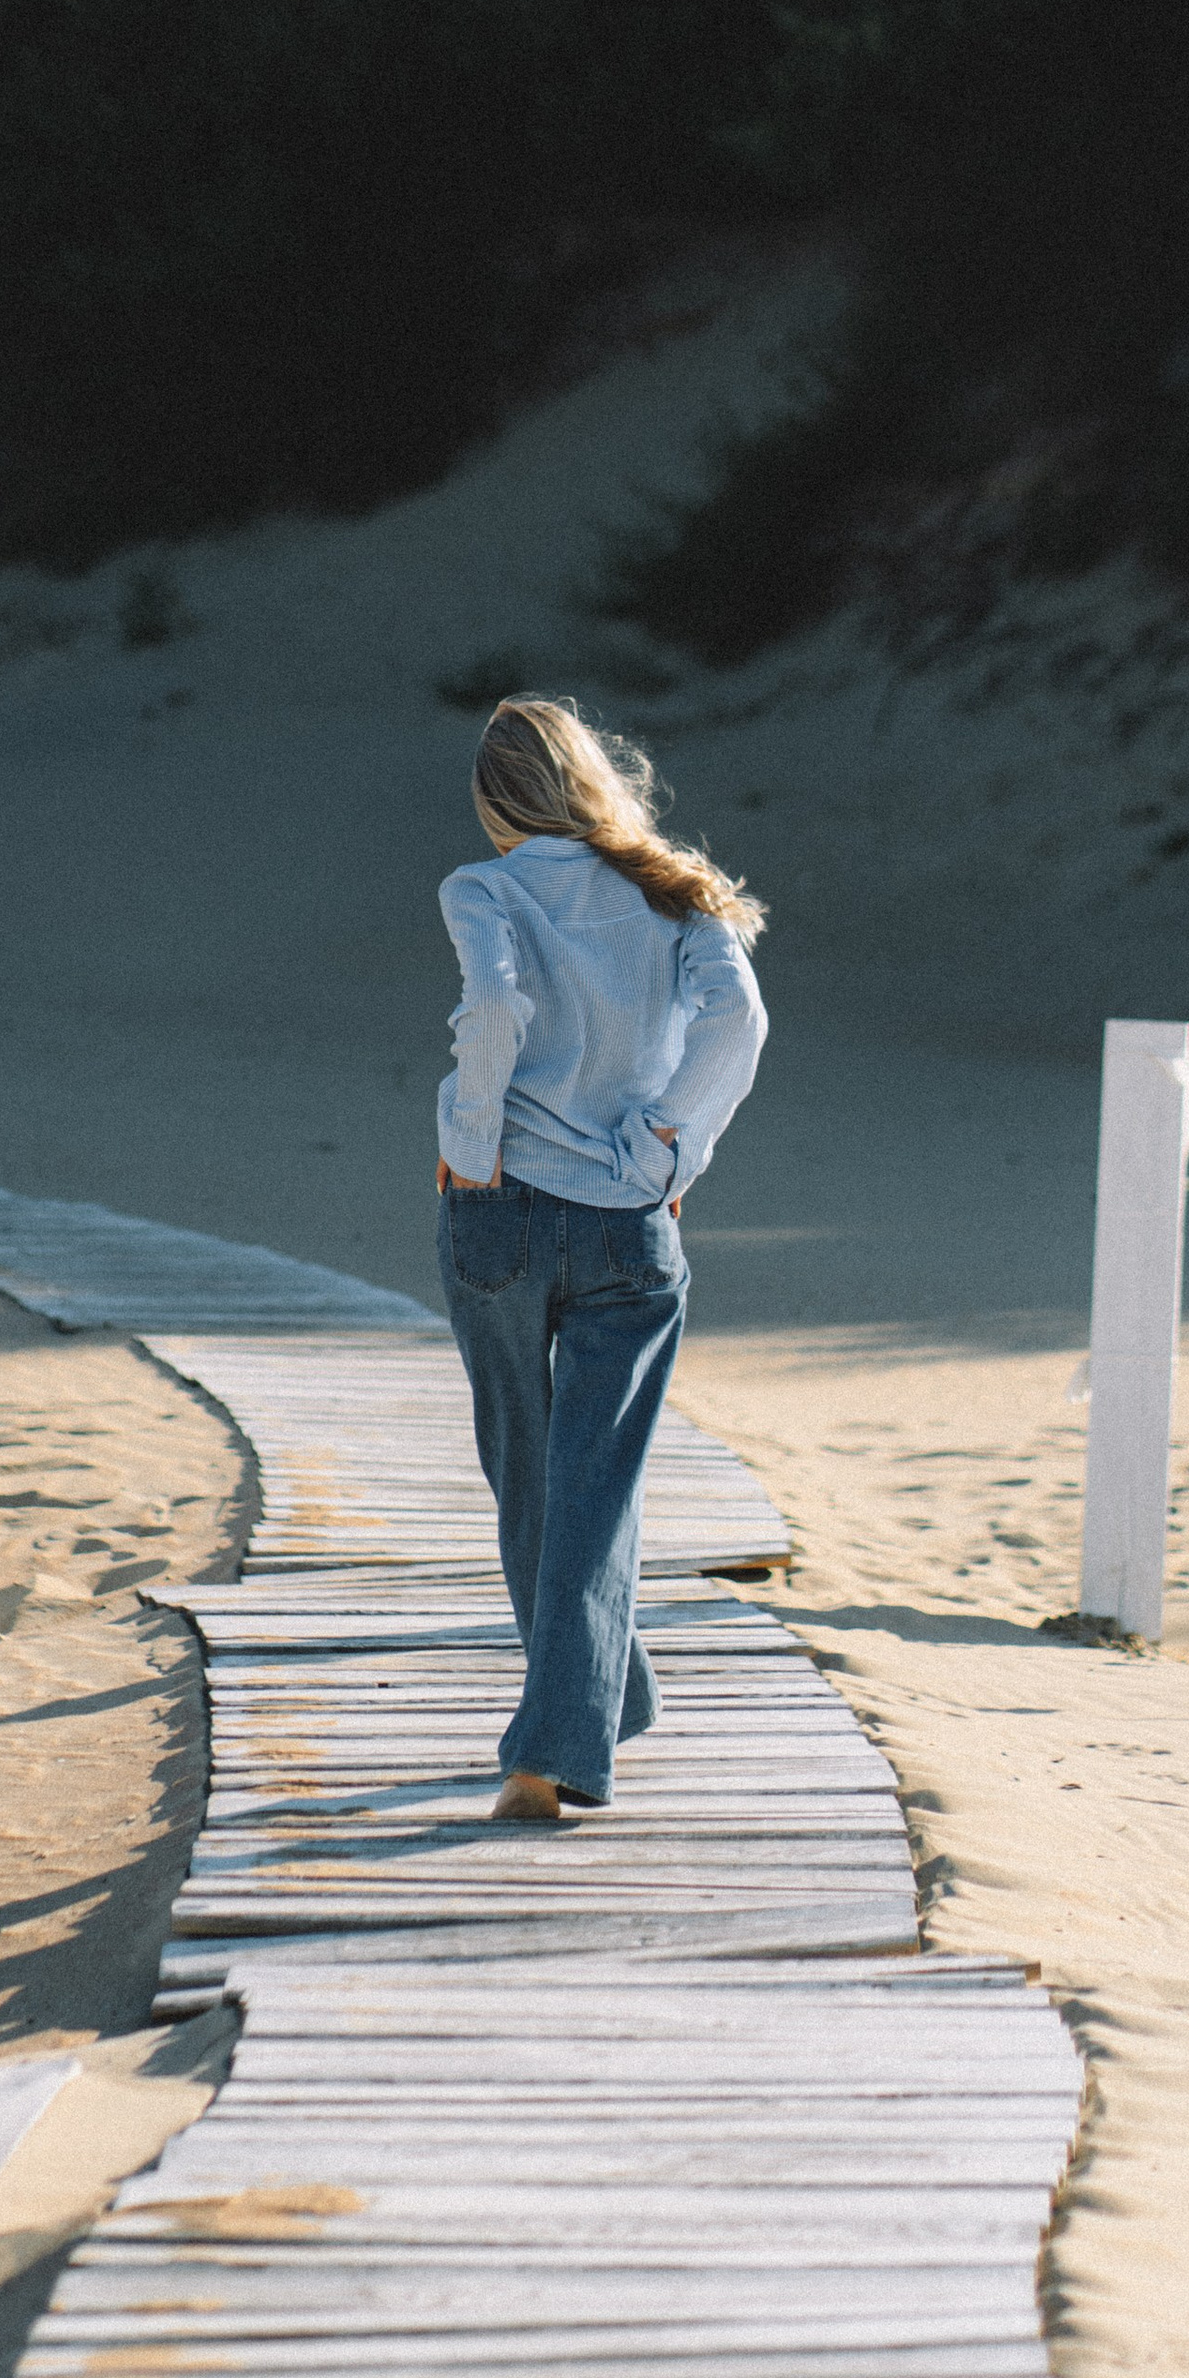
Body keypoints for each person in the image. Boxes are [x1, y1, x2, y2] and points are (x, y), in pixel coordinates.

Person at [434, 695, 767, 1822]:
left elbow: (493, 1009)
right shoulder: (675, 891)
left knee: (526, 1469)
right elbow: (742, 1024)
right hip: (629, 1218)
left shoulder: (482, 888)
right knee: (593, 1479)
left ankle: (549, 1751)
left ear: (493, 800)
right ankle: (604, 1691)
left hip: (498, 1213)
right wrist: (667, 1147)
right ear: (591, 783)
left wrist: (470, 1144)